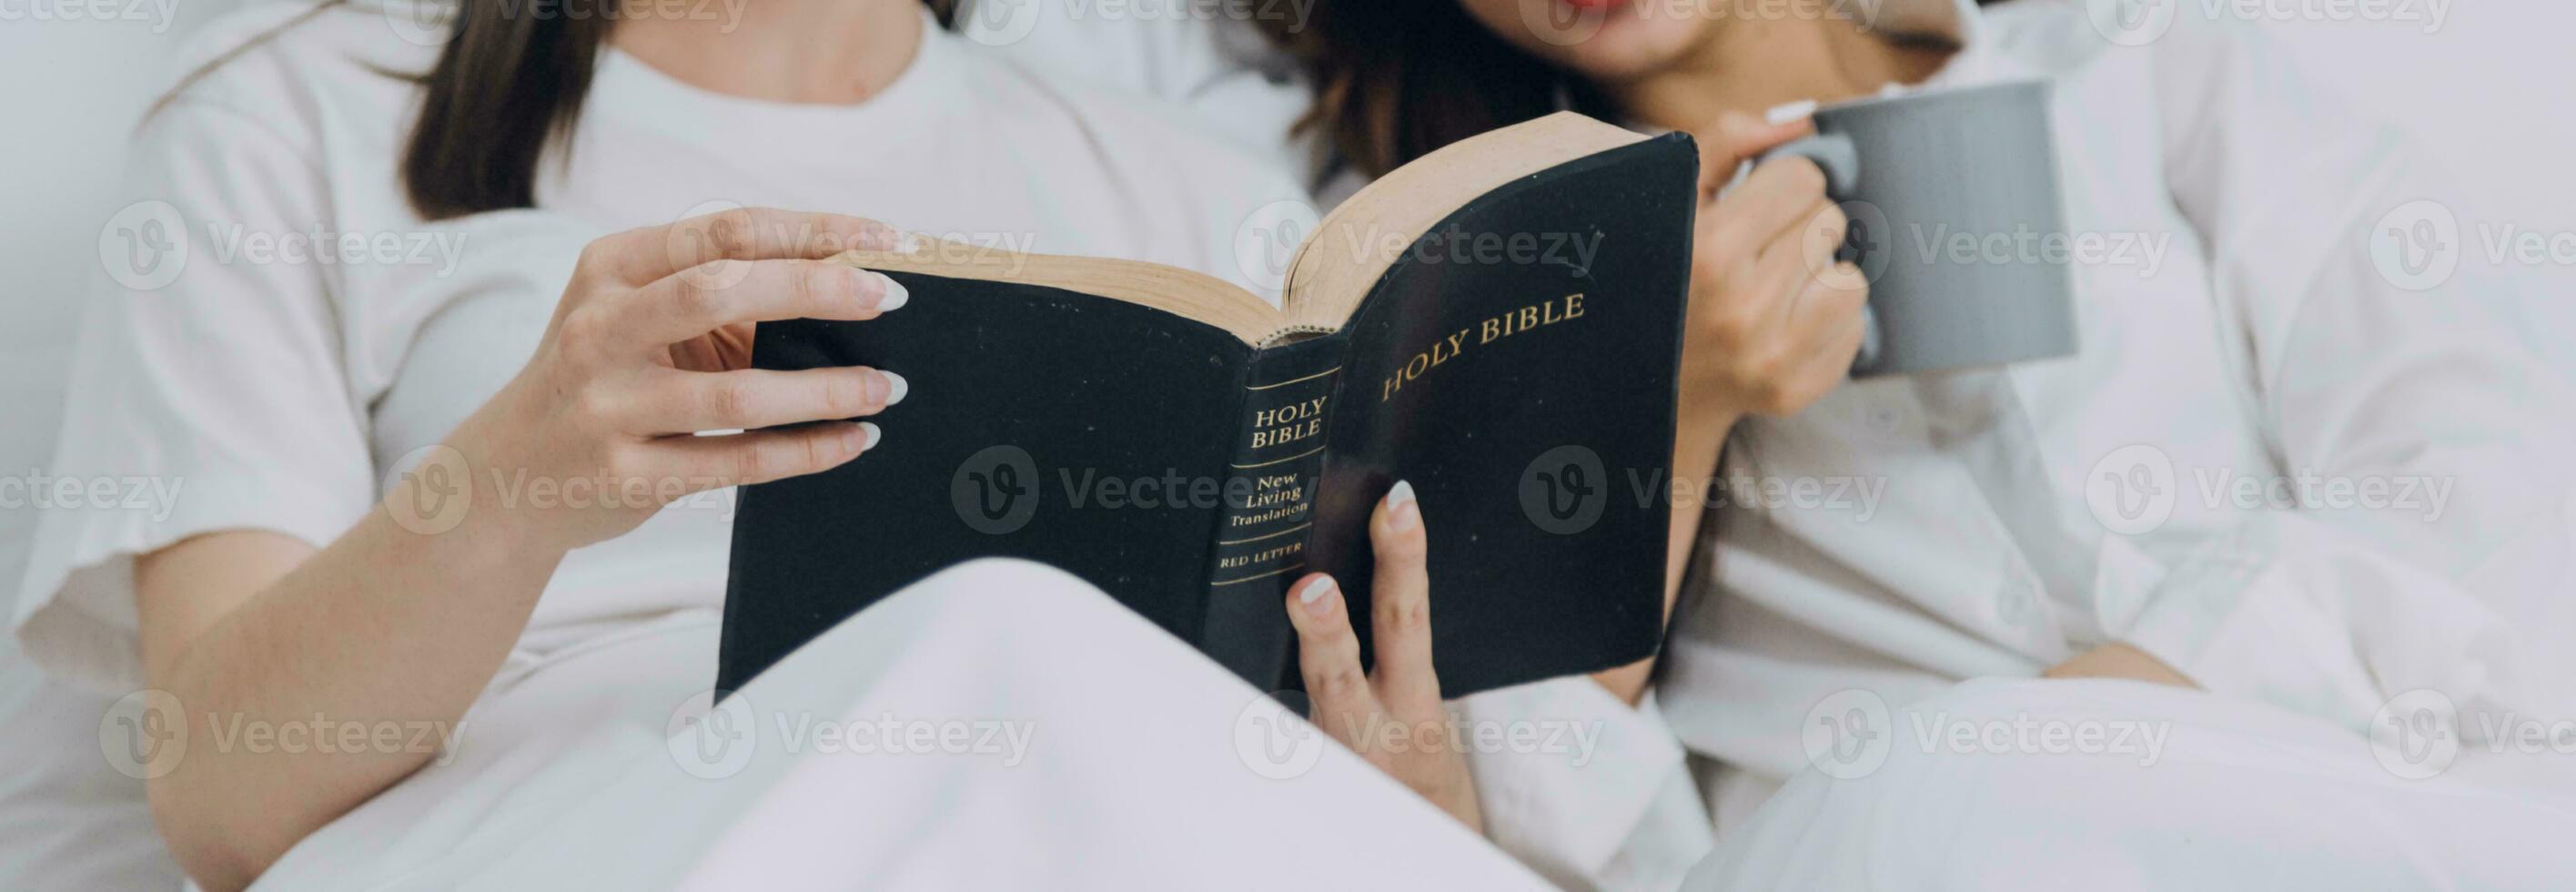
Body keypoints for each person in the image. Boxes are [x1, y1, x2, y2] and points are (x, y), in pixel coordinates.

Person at [950, 0, 2576, 887]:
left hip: (2314, 782)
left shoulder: (2143, 78)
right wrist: (1675, 403)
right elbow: (1536, 835)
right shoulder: (1488, 280)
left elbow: (2483, 486)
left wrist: (2103, 724)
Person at [9, 0, 1568, 887]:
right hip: (560, 838)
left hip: (1116, 824)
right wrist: (515, 483)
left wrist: (1412, 799)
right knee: (996, 625)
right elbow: (216, 795)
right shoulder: (290, 117)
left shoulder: (1188, 192)